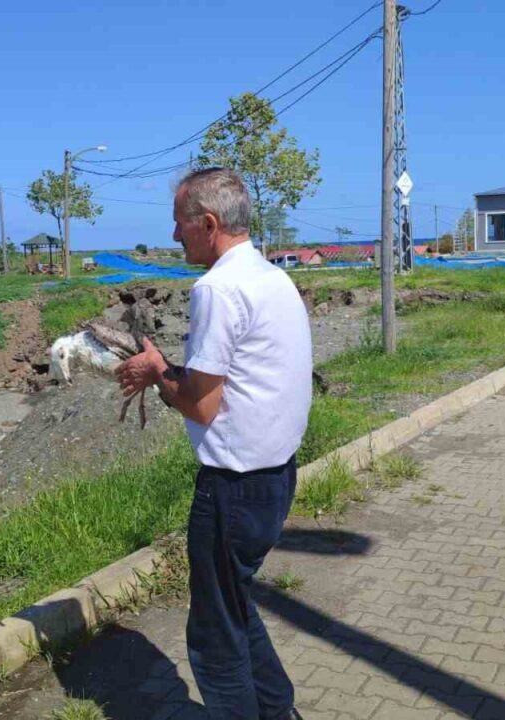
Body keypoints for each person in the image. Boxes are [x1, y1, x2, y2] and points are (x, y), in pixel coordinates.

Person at [115, 167, 311, 720]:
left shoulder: (218, 289)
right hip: (275, 478)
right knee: (234, 609)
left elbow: (201, 403)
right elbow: (228, 383)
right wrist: (170, 370)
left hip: (233, 490)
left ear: (206, 223)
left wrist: (157, 370)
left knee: (213, 638)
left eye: (179, 223)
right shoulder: (272, 278)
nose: (174, 235)